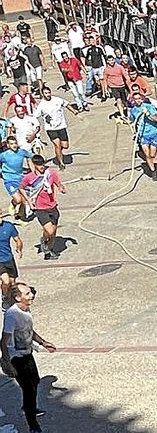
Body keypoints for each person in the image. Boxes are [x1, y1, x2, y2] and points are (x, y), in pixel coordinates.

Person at [1, 283, 56, 433]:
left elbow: (29, 330)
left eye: (30, 292)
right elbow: (4, 341)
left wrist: (43, 342)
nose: (31, 295)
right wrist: (7, 362)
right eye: (27, 293)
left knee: (35, 381)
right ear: (18, 297)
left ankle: (28, 407)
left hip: (27, 354)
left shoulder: (25, 309)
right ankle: (33, 425)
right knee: (28, 390)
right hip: (16, 359)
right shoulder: (12, 316)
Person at [20, 154, 66, 260]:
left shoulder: (50, 173)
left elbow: (58, 183)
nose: (41, 166)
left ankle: (48, 249)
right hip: (40, 208)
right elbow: (21, 188)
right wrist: (29, 202)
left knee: (52, 233)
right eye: (39, 165)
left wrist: (61, 188)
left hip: (52, 206)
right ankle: (45, 246)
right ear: (34, 165)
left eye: (43, 164)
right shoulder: (29, 177)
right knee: (49, 231)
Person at [35, 86, 77, 170]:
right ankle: (61, 163)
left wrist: (74, 111)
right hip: (51, 128)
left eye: (49, 92)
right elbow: (35, 116)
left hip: (61, 126)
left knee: (65, 146)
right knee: (57, 145)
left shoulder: (57, 99)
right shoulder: (42, 105)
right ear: (42, 94)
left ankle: (59, 153)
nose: (48, 95)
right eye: (46, 93)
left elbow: (66, 104)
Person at [128, 93, 157, 180]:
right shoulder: (133, 110)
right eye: (135, 99)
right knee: (147, 154)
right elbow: (132, 121)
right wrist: (122, 121)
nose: (138, 100)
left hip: (153, 132)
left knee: (152, 154)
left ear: (142, 99)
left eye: (139, 98)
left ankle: (152, 163)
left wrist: (148, 114)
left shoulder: (149, 106)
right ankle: (153, 171)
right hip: (143, 134)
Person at [0, 136, 34, 220]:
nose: (14, 145)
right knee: (18, 200)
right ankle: (13, 204)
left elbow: (31, 156)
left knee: (23, 199)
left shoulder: (21, 152)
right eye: (11, 144)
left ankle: (20, 216)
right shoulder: (4, 155)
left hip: (20, 178)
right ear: (8, 145)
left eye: (15, 143)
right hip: (9, 179)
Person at [0, 216, 23, 307]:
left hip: (8, 259)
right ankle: (5, 298)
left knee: (12, 283)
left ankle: (8, 296)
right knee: (6, 281)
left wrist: (19, 249)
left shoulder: (9, 226)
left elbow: (17, 239)